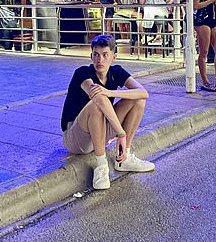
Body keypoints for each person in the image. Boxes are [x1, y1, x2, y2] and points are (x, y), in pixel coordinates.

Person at [60, 35, 153, 189]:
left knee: (138, 100)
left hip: (99, 131)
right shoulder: (83, 73)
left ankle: (124, 157)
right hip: (76, 138)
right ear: (91, 56)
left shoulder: (116, 72)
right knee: (96, 103)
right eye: (96, 55)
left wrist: (111, 92)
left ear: (113, 57)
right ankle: (101, 165)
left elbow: (143, 93)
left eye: (105, 55)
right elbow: (99, 98)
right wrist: (121, 133)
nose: (99, 60)